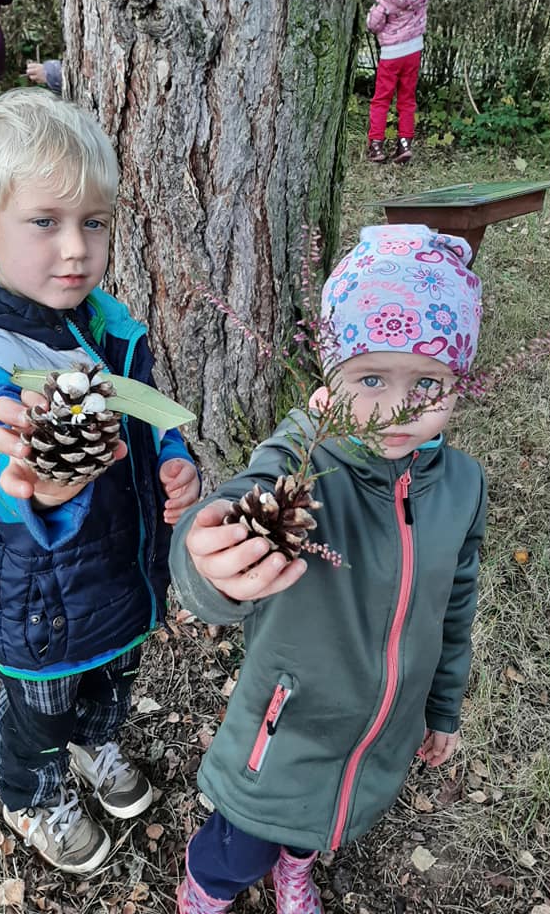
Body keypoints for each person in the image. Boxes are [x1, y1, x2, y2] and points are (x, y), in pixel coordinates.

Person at [169, 224, 486, 913]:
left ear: (458, 384)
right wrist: (209, 559)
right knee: (241, 846)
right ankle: (205, 889)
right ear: (329, 381)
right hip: (286, 730)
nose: (398, 408)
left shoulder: (463, 486)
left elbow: (455, 605)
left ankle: (297, 867)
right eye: (370, 378)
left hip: (378, 732)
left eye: (427, 382)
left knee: (313, 828)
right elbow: (242, 503)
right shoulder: (305, 459)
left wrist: (442, 709)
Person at [0, 88, 200, 874]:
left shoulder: (105, 320)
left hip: (120, 568)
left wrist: (174, 456)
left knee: (113, 679)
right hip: (41, 597)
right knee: (40, 709)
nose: (76, 249)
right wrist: (34, 486)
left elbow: (145, 410)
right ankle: (33, 792)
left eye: (94, 222)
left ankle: (95, 744)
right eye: (44, 222)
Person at [366, 0, 439, 164]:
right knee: (407, 99)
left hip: (391, 54)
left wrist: (373, 14)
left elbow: (373, 24)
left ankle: (376, 145)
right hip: (413, 50)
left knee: (381, 99)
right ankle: (404, 144)